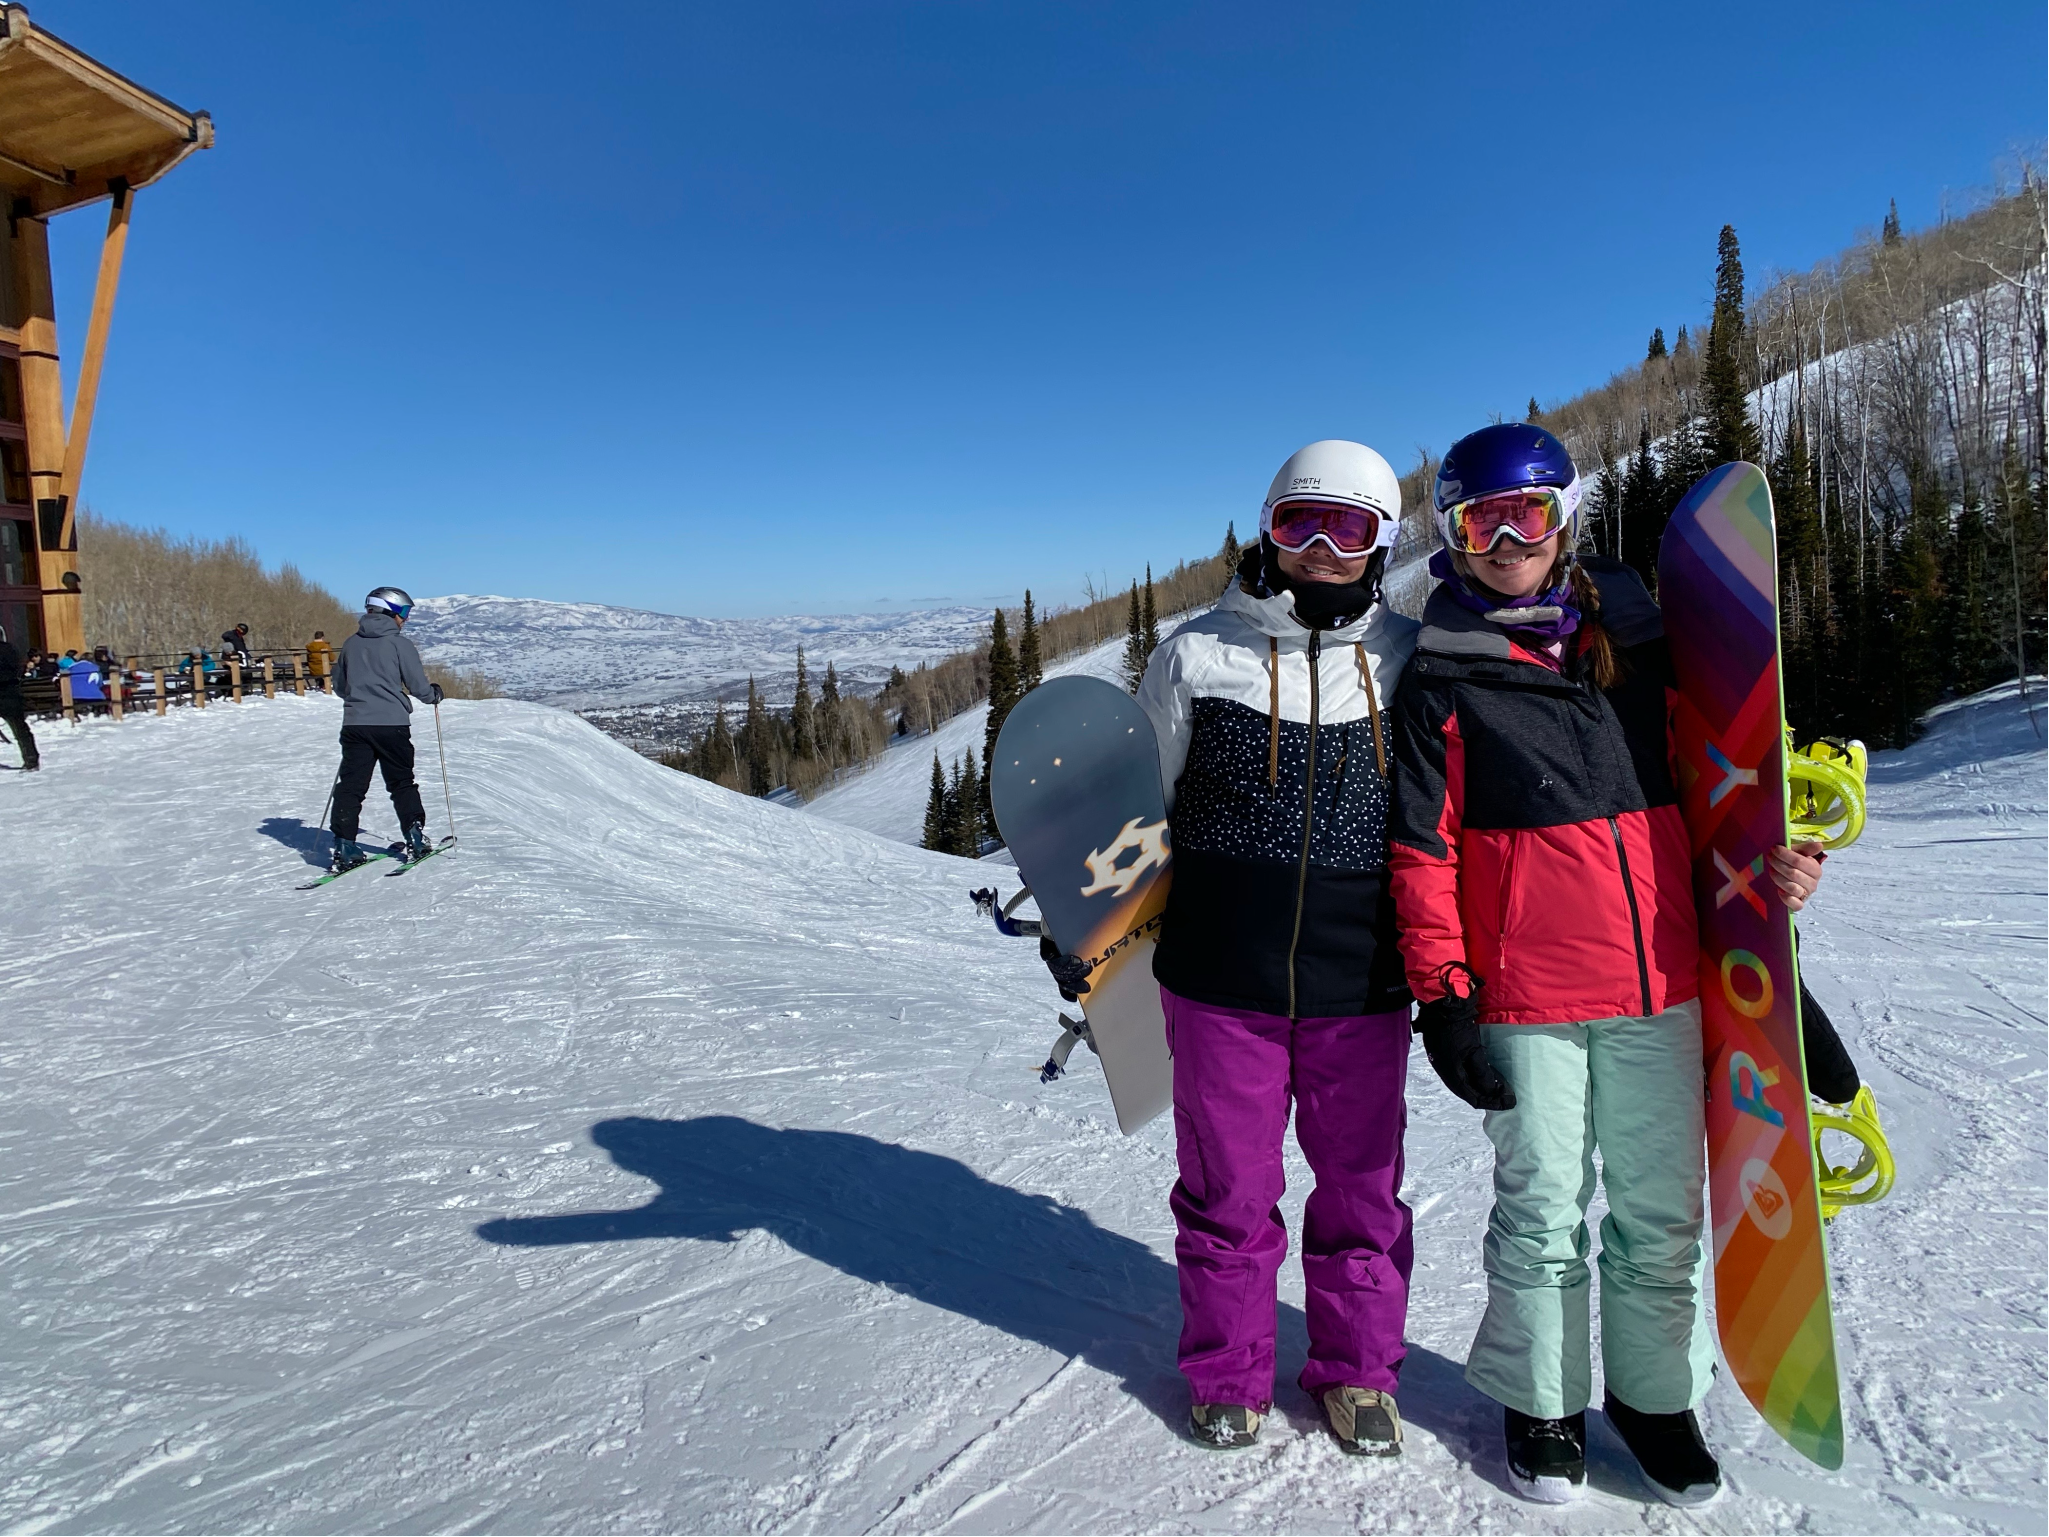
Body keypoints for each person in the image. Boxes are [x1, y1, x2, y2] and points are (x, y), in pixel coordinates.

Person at [1385, 424, 1826, 1507]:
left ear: (1563, 517)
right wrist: (1444, 992)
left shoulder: (1637, 633)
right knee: (1540, 1207)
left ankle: (1654, 1398)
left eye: (1525, 514)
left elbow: (1721, 785)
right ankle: (1543, 1402)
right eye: (1476, 521)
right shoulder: (1440, 671)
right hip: (1528, 996)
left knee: (1661, 1210)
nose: (1503, 539)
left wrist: (1775, 872)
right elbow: (1422, 849)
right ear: (1449, 536)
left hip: (1662, 984)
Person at [1100, 441, 1421, 1453]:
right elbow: (1137, 810)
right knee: (1228, 1189)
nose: (1321, 550)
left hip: (1364, 980)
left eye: (1349, 529)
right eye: (1299, 526)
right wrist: (1104, 938)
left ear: (1382, 542)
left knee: (1362, 1188)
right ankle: (1229, 1372)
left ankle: (1357, 1372)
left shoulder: (1412, 656)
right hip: (1218, 982)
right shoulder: (1198, 653)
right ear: (1269, 532)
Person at [329, 586, 442, 871]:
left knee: (352, 787)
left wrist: (361, 699)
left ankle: (344, 845)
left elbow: (340, 687)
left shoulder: (350, 643)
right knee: (401, 783)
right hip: (392, 724)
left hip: (356, 724)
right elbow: (418, 686)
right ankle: (415, 837)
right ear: (390, 611)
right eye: (404, 612)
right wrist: (433, 695)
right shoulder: (400, 645)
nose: (405, 619)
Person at [0, 623, 38, 770]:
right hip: (11, 694)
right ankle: (31, 759)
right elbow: (18, 669)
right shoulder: (10, 650)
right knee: (20, 729)